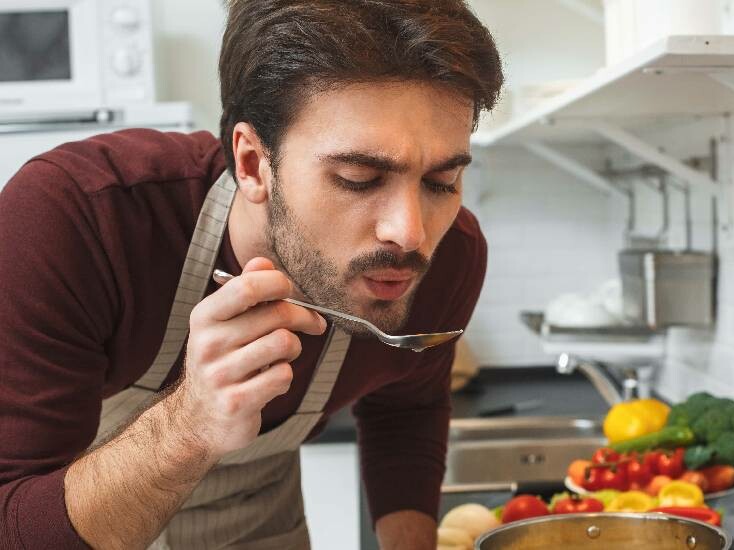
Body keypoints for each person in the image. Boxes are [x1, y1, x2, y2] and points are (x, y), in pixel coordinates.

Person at [0, 0, 503, 548]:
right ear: (252, 164)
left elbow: (408, 407)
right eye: (359, 178)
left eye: (441, 181)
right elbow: (11, 521)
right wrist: (190, 424)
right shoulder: (75, 217)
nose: (410, 233)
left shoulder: (449, 256)